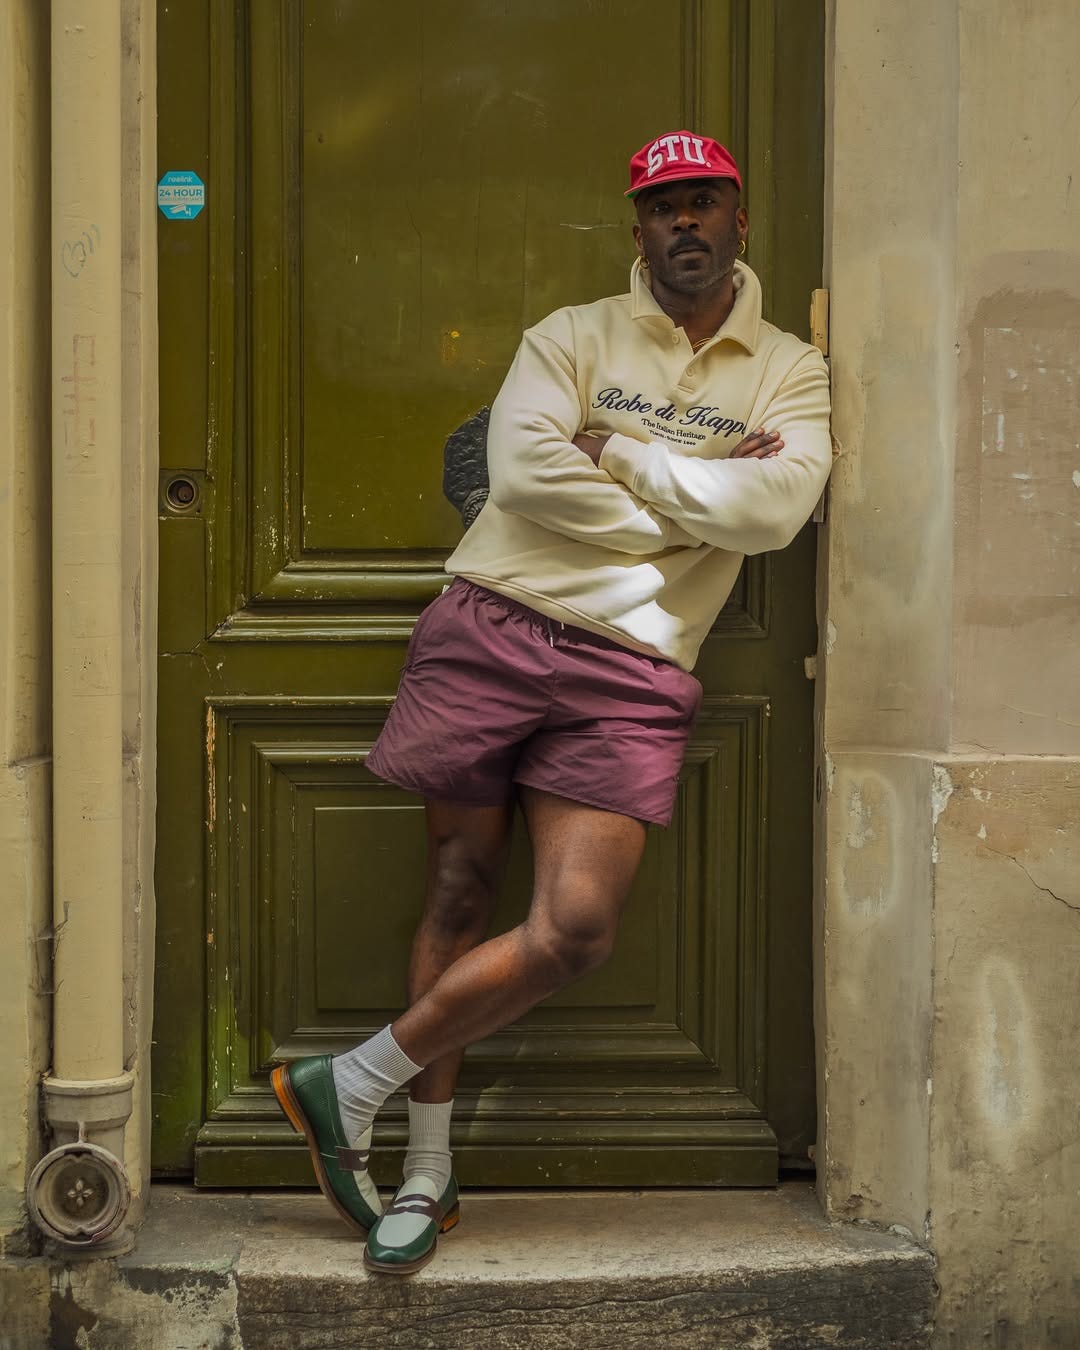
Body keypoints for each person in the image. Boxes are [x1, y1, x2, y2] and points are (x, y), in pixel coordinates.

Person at [272, 130, 833, 1275]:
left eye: (705, 202)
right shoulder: (570, 334)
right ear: (636, 227)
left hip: (633, 668)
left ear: (741, 221)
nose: (685, 223)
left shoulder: (791, 368)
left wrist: (618, 451)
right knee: (460, 885)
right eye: (662, 206)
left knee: (573, 928)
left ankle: (352, 1082)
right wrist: (695, 507)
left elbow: (776, 514)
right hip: (490, 625)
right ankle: (425, 1172)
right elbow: (523, 472)